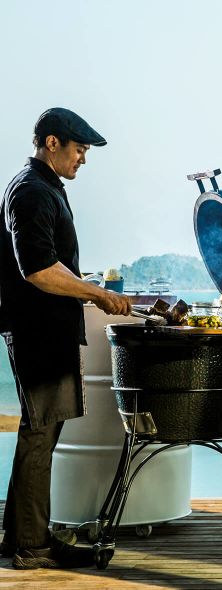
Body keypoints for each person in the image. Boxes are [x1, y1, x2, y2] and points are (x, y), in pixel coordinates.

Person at [0, 108, 132, 569]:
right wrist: (97, 294)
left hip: (45, 328)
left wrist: (85, 286)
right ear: (51, 143)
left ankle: (20, 537)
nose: (84, 159)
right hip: (37, 331)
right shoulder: (32, 191)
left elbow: (50, 262)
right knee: (40, 434)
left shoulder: (44, 187)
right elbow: (36, 269)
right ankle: (33, 548)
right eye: (79, 149)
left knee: (40, 432)